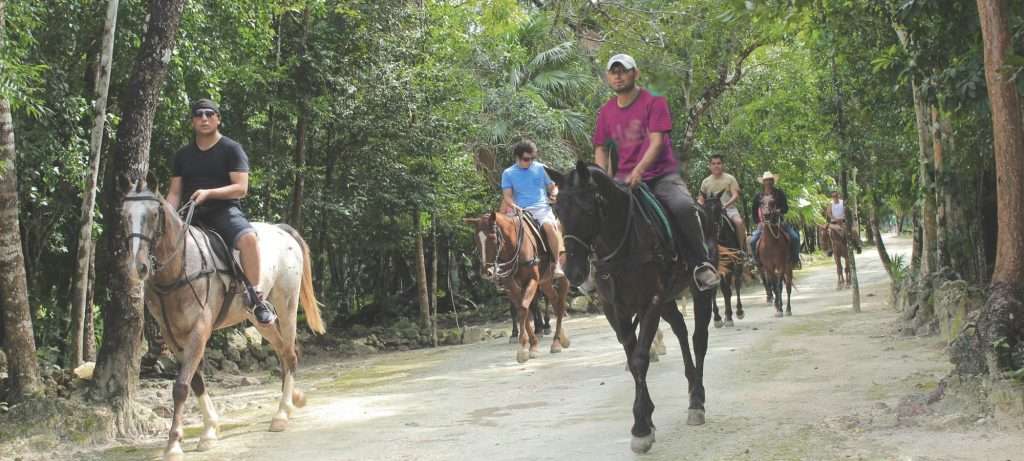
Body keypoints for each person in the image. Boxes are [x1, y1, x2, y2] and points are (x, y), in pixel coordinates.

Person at [592, 53, 719, 291]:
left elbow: (657, 141)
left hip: (661, 176)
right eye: (613, 72)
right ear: (608, 77)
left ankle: (700, 264)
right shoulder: (606, 111)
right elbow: (601, 149)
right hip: (622, 181)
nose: (618, 76)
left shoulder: (654, 102)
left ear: (635, 73)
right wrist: (602, 181)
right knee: (592, 211)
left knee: (684, 207)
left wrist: (638, 171)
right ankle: (592, 269)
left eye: (623, 71)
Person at [165, 99, 276, 324]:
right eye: (198, 115)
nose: (204, 118)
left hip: (224, 210)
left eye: (209, 114)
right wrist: (166, 217)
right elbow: (175, 193)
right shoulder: (182, 155)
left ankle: (256, 298)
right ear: (192, 121)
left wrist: (209, 193)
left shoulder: (231, 149)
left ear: (218, 119)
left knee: (248, 239)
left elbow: (241, 188)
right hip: (191, 214)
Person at [501, 140, 565, 278]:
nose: (529, 161)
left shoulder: (541, 168)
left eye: (532, 158)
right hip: (520, 211)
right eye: (526, 159)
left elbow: (552, 187)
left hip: (541, 208)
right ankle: (502, 269)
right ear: (517, 157)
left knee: (549, 227)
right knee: (503, 233)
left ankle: (557, 264)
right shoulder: (508, 173)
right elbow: (507, 196)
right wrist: (514, 206)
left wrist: (554, 193)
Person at [698, 154, 752, 257]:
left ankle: (741, 250)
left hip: (729, 209)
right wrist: (699, 207)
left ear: (723, 165)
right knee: (698, 225)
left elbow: (735, 195)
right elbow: (701, 199)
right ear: (710, 166)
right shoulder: (705, 182)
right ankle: (701, 252)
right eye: (713, 164)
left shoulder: (730, 178)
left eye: (718, 163)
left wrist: (726, 205)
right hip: (710, 212)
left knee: (739, 222)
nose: (716, 166)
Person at [749, 171, 802, 270]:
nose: (768, 182)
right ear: (763, 182)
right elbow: (754, 210)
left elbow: (785, 208)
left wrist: (779, 210)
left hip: (779, 222)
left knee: (794, 237)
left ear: (773, 181)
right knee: (752, 241)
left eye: (770, 180)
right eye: (766, 180)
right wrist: (758, 222)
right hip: (764, 224)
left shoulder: (779, 193)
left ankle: (794, 259)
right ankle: (756, 260)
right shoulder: (759, 196)